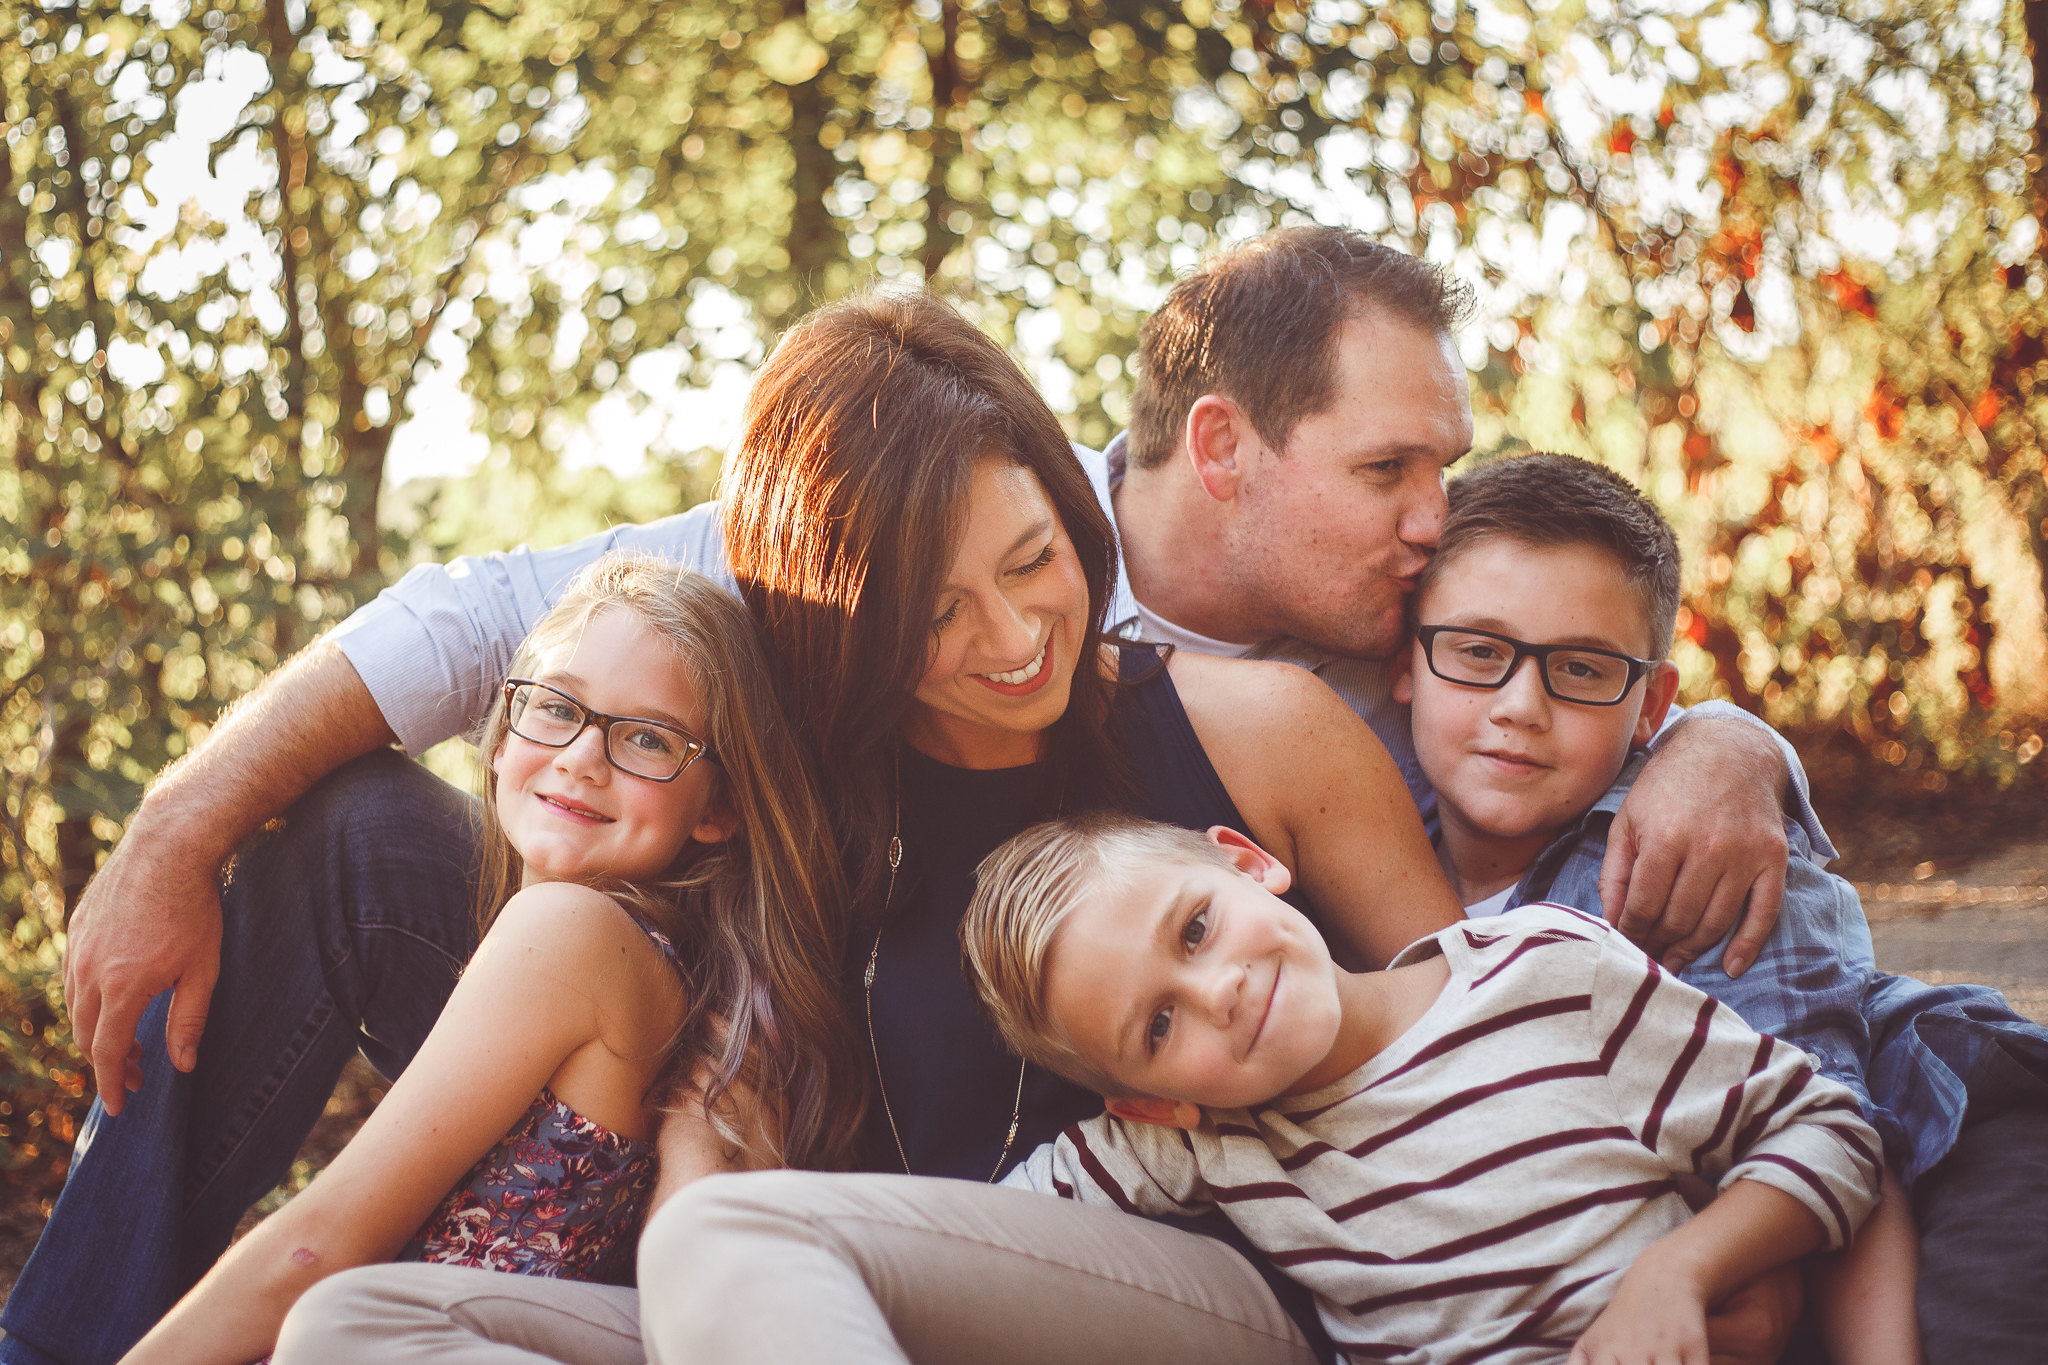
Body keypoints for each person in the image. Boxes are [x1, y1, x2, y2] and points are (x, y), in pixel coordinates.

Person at [9, 238, 1794, 1363]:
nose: (1013, 637)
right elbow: (490, 623)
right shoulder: (789, 736)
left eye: (1034, 565)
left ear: (1070, 508)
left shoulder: (1263, 718)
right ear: (830, 621)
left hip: (1171, 1279)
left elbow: (1475, 1015)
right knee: (360, 1325)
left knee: (720, 1229)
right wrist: (174, 829)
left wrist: (1719, 731)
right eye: (934, 615)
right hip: (812, 1284)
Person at [107, 555, 859, 1365]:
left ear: (719, 806)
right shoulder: (669, 968)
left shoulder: (570, 933)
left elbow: (317, 1246)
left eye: (647, 737)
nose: (581, 755)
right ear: (502, 740)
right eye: (558, 706)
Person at [1396, 451, 2048, 1365]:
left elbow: (1835, 1137)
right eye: (1477, 650)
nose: (1520, 705)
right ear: (1405, 662)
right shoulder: (1373, 834)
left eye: (1581, 669)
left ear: (1654, 703)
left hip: (1950, 1147)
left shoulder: (1691, 852)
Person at [957, 813, 1884, 1365]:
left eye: (1196, 928)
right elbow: (953, 1246)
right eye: (1158, 1027)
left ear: (1247, 861)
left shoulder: (1542, 974)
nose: (1218, 991)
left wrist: (1680, 1272)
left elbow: (1828, 1129)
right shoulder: (1202, 1137)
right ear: (1149, 1102)